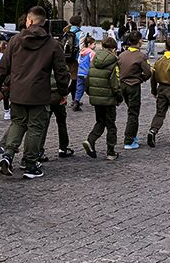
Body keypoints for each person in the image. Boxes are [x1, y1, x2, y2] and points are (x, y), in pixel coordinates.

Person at [0, 6, 70, 180]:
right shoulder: (53, 45)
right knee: (35, 128)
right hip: (40, 93)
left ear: (30, 21)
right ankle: (30, 164)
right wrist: (63, 92)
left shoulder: (15, 41)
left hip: (17, 92)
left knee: (18, 123)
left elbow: (3, 69)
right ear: (43, 22)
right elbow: (61, 73)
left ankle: (8, 154)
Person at [82, 36, 122, 161]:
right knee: (111, 125)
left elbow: (87, 79)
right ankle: (111, 151)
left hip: (96, 98)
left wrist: (90, 93)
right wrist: (119, 98)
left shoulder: (94, 60)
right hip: (109, 99)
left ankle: (90, 140)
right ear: (113, 49)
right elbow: (115, 84)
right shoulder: (114, 62)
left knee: (100, 121)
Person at [51, 15, 83, 157]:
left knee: (67, 77)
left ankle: (72, 97)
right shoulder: (80, 33)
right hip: (75, 59)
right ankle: (74, 99)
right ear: (80, 23)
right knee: (75, 80)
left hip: (65, 58)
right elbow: (81, 47)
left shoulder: (66, 31)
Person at [118, 31, 152, 150]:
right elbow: (148, 72)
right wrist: (141, 78)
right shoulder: (140, 56)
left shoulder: (122, 55)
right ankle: (129, 139)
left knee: (130, 109)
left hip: (122, 85)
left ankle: (132, 135)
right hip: (133, 86)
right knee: (133, 113)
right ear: (138, 41)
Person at [147, 35, 170, 147]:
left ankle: (153, 130)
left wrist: (154, 90)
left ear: (166, 47)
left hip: (161, 88)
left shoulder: (159, 61)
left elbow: (153, 77)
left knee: (160, 113)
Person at [73, 36, 95, 112]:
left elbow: (79, 61)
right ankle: (95, 102)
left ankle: (76, 102)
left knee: (79, 88)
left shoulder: (81, 52)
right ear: (89, 44)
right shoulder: (92, 53)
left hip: (80, 73)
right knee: (91, 88)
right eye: (93, 44)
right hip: (87, 73)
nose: (94, 46)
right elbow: (92, 63)